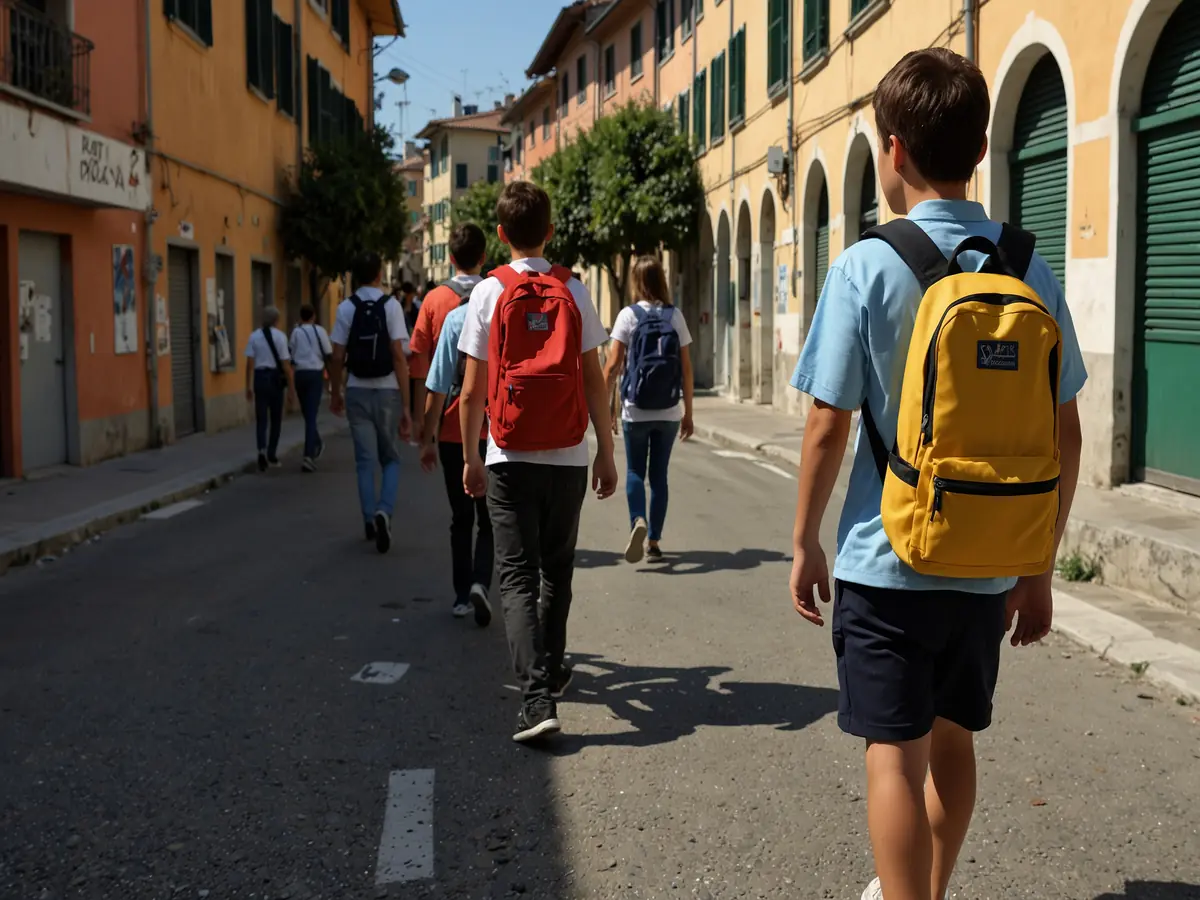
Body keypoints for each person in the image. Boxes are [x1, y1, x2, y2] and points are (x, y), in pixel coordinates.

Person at [786, 49, 1086, 900]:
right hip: (987, 565)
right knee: (954, 743)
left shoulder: (864, 265)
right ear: (981, 149)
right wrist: (1037, 567)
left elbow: (827, 424)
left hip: (887, 560)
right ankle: (929, 888)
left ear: (892, 150)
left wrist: (804, 542)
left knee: (894, 756)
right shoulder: (1027, 265)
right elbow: (1064, 432)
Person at [458, 181, 618, 743]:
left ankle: (535, 699)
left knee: (517, 576)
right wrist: (606, 451)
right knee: (557, 569)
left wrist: (472, 457)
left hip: (508, 453)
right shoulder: (573, 288)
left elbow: (472, 390)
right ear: (550, 231)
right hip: (569, 455)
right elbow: (594, 379)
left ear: (501, 234)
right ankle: (550, 671)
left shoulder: (488, 292)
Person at [417, 223, 493, 624]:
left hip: (451, 431)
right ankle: (483, 581)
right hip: (495, 431)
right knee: (490, 518)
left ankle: (462, 595)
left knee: (461, 517)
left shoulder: (442, 306)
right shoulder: (500, 301)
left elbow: (435, 383)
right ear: (485, 257)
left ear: (449, 258)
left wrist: (426, 438)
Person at [602, 255, 695, 564]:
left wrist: (605, 407)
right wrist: (689, 413)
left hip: (636, 409)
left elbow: (613, 366)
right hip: (668, 409)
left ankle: (637, 520)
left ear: (636, 282)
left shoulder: (628, 316)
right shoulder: (675, 316)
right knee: (659, 477)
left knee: (634, 471)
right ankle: (654, 541)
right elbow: (686, 369)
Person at [329, 253, 413, 553]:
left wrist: (335, 392)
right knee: (390, 458)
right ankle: (384, 510)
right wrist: (406, 406)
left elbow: (337, 356)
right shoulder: (391, 306)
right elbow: (399, 355)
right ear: (379, 274)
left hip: (356, 390)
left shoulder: (345, 308)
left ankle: (368, 518)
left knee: (364, 461)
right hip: (387, 390)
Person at [244, 306, 297, 472]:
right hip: (275, 379)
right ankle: (272, 454)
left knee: (261, 419)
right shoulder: (281, 337)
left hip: (260, 378)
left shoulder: (254, 336)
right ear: (276, 320)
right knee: (276, 418)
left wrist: (248, 386)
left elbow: (249, 364)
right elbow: (286, 365)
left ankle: (261, 451)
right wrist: (291, 389)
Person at [290, 304, 332, 473]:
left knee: (307, 413)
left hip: (300, 374)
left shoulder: (296, 332)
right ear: (313, 316)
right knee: (311, 413)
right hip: (315, 373)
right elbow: (328, 353)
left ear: (301, 316)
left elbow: (291, 354)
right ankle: (309, 455)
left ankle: (316, 444)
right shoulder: (320, 331)